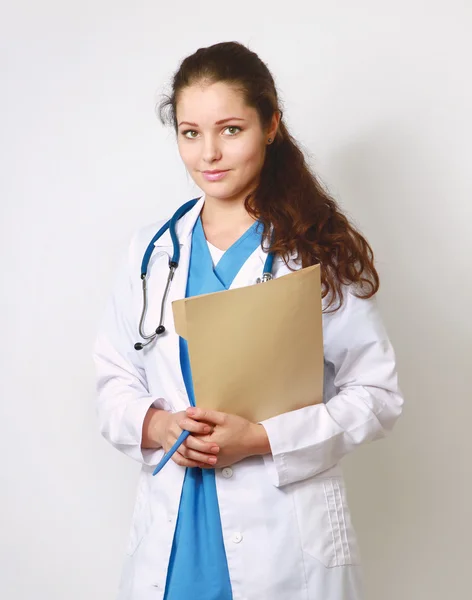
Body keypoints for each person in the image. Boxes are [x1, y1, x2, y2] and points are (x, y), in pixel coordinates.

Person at [93, 41, 404, 600]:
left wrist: (262, 439)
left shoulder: (316, 250)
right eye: (190, 133)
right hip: (176, 533)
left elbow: (376, 394)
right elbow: (114, 379)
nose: (208, 153)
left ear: (270, 126)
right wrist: (159, 427)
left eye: (230, 129)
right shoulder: (153, 253)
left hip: (284, 537)